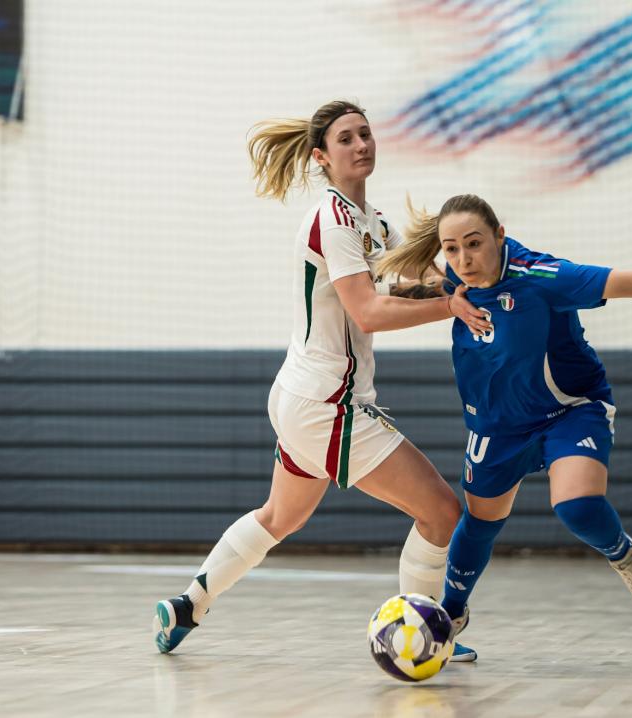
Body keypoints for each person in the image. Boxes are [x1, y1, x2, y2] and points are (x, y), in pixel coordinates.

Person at [153, 101, 493, 654]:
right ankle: (426, 636)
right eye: (346, 139)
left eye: (366, 134)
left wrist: (448, 287)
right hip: (326, 404)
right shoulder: (332, 220)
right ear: (322, 157)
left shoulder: (372, 222)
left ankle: (187, 605)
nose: (361, 144)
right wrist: (449, 307)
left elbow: (393, 288)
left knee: (279, 517)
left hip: (301, 396)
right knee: (442, 512)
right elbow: (369, 312)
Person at [378, 193, 632, 661]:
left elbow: (631, 281)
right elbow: (390, 290)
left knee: (577, 506)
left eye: (474, 243)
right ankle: (452, 613)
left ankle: (625, 556)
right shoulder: (450, 278)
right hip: (497, 425)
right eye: (451, 248)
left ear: (499, 235)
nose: (464, 258)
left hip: (569, 410)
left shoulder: (544, 277)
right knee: (480, 525)